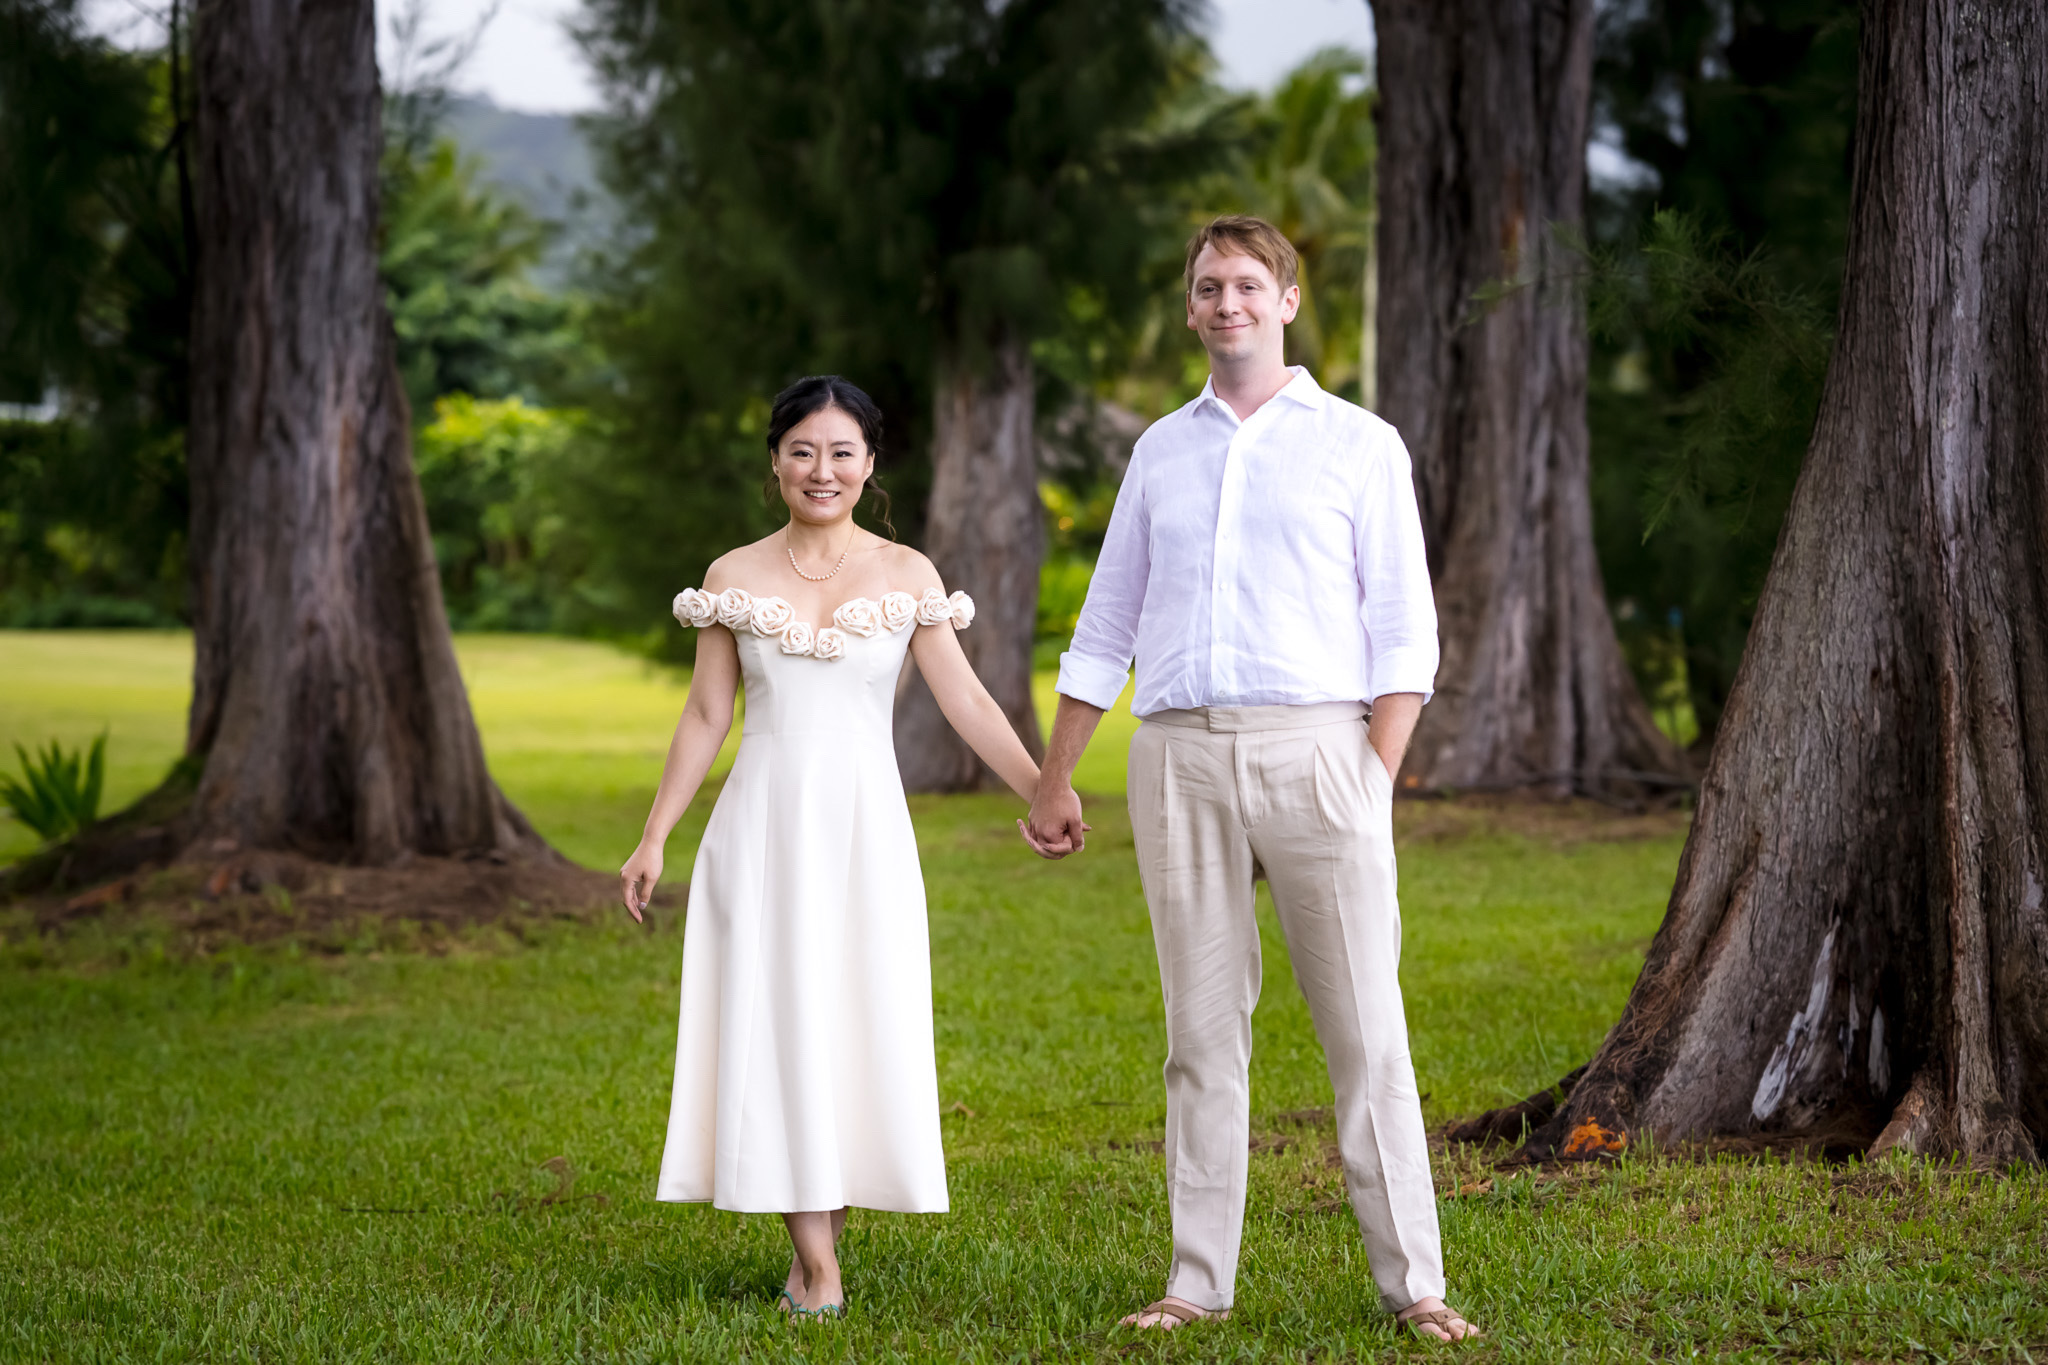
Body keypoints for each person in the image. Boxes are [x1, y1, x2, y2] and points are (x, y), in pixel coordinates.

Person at [1021, 216, 1481, 1342]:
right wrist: (1053, 775)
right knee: (1199, 1034)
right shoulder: (1157, 453)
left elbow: (1401, 636)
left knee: (1364, 1027)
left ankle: (1414, 1282)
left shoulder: (1359, 444)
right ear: (1189, 311)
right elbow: (1106, 620)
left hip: (1320, 750)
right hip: (1176, 756)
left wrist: (1367, 779)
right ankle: (1195, 1283)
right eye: (1205, 288)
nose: (1224, 303)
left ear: (1284, 300)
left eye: (1244, 285)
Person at [620, 374, 1041, 1322]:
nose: (823, 469)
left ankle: (822, 1227)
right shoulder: (732, 576)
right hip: (761, 826)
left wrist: (1044, 791)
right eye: (803, 450)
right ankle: (816, 1262)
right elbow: (704, 715)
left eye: (842, 452)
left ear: (870, 464)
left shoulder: (907, 574)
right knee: (779, 1020)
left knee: (855, 1017)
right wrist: (654, 837)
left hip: (866, 826)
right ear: (774, 461)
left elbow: (966, 700)